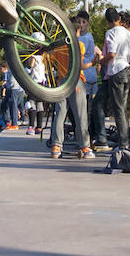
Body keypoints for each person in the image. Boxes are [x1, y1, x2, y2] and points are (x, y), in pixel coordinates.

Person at [50, 18, 96, 159]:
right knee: (81, 115)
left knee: (60, 114)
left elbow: (52, 61)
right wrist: (94, 62)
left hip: (62, 82)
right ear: (77, 30)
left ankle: (56, 147)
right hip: (76, 81)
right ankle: (85, 147)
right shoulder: (79, 45)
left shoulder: (58, 46)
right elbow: (79, 65)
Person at [100, 7, 130, 151]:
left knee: (118, 110)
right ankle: (125, 140)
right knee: (123, 109)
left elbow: (112, 54)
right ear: (119, 19)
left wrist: (101, 61)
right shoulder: (127, 33)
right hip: (126, 71)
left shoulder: (110, 32)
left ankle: (123, 144)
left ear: (108, 21)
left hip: (116, 72)